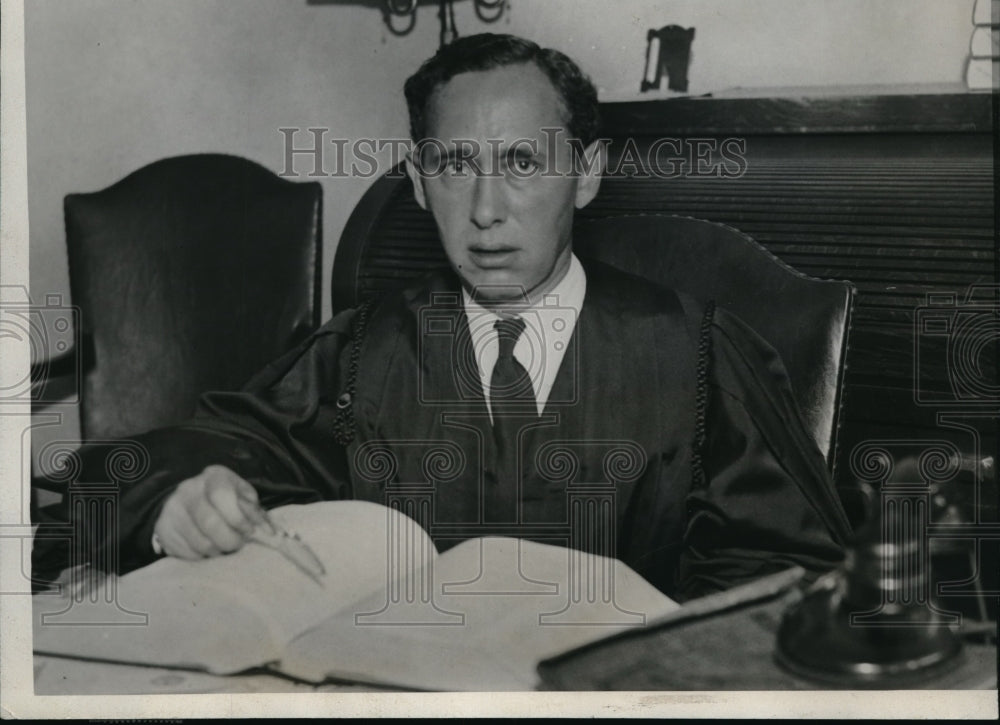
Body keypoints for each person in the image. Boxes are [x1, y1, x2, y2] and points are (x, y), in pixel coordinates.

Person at [34, 34, 851, 601]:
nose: (487, 210)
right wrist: (174, 496)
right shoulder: (362, 353)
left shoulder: (697, 352)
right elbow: (145, 460)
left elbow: (786, 572)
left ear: (587, 174)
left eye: (523, 163)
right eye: (456, 166)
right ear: (419, 184)